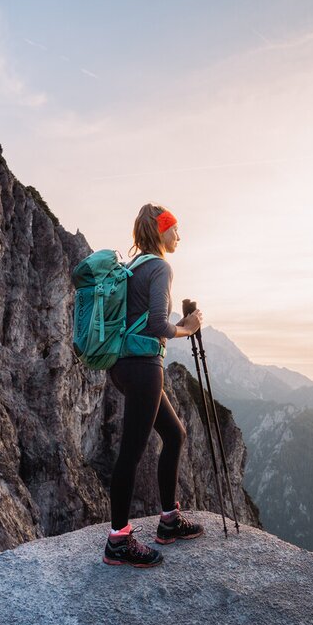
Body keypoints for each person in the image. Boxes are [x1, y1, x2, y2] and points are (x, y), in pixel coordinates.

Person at [103, 203, 205, 568]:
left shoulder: (131, 267)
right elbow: (160, 325)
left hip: (121, 365)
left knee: (175, 435)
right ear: (161, 232)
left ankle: (169, 520)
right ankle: (118, 539)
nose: (179, 236)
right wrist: (188, 327)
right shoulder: (160, 266)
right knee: (131, 453)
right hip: (145, 366)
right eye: (175, 229)